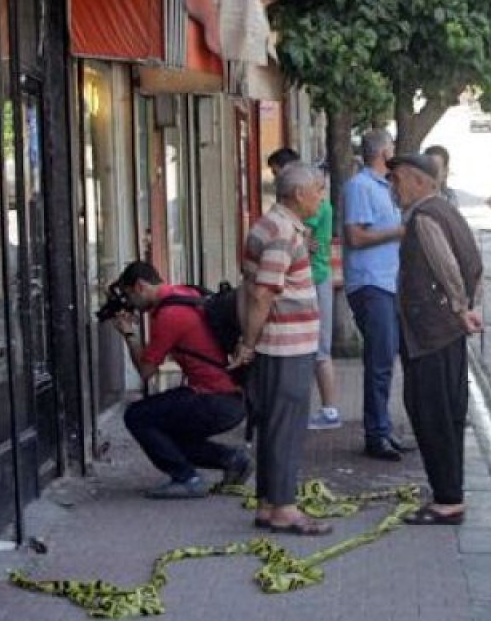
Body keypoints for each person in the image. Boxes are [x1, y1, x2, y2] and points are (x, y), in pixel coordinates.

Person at [229, 162, 331, 535]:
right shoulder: (282, 232)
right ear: (299, 194)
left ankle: (269, 502)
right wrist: (248, 344)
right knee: (286, 426)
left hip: (280, 344)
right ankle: (285, 507)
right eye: (318, 190)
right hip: (285, 346)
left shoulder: (272, 225)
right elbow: (262, 294)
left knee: (273, 424)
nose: (321, 196)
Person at [386, 153, 483, 525]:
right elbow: (475, 265)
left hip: (431, 331)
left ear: (419, 182)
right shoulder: (447, 211)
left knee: (432, 413)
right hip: (445, 331)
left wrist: (460, 308)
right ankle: (448, 491)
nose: (394, 188)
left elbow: (448, 268)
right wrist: (470, 308)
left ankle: (448, 499)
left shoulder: (425, 217)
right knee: (446, 411)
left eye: (397, 180)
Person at [109, 261, 252, 499]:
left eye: (129, 295)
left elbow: (146, 372)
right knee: (165, 427)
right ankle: (231, 459)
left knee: (137, 416)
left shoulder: (168, 316)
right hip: (233, 397)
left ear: (141, 286)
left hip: (213, 399)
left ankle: (186, 478)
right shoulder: (187, 293)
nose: (130, 304)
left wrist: (129, 334)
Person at [342, 129, 407, 461]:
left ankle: (383, 427)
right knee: (379, 360)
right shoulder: (360, 187)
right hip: (371, 283)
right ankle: (376, 433)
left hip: (388, 282)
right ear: (383, 152)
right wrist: (398, 231)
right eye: (392, 148)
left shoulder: (386, 188)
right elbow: (355, 236)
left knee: (387, 358)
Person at [268, 148, 340, 430]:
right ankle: (323, 408)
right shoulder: (316, 205)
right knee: (316, 349)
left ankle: (329, 409)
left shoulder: (313, 208)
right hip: (315, 275)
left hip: (314, 276)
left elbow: (299, 236)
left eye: (277, 175)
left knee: (317, 349)